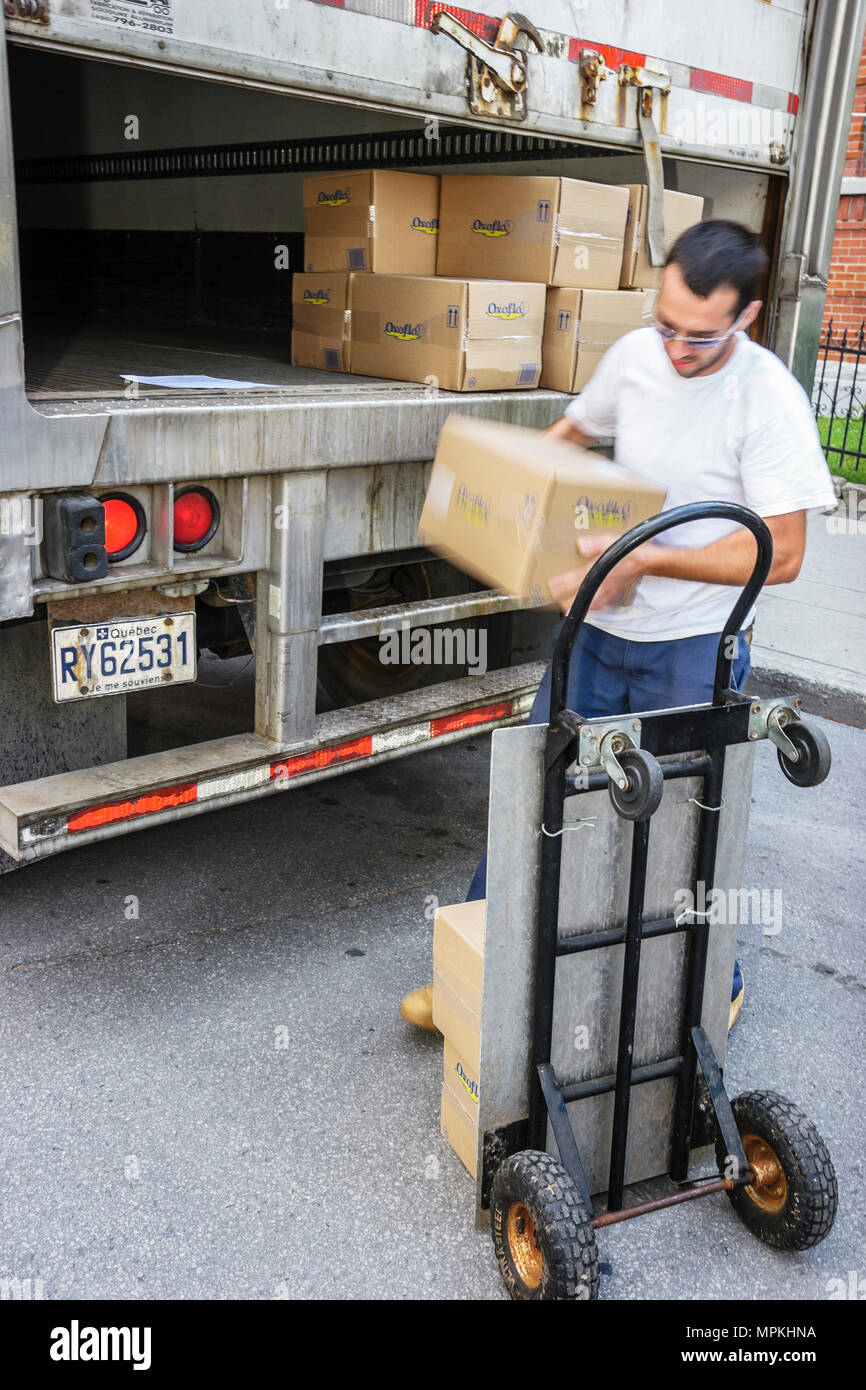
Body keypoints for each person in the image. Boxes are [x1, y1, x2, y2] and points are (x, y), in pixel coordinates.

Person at [400, 218, 837, 1035]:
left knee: (676, 831)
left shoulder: (768, 397)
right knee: (536, 792)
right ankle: (475, 975)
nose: (675, 348)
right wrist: (529, 518)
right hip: (599, 634)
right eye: (666, 323)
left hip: (693, 653)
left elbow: (781, 555)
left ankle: (717, 985)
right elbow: (569, 436)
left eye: (698, 338)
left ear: (744, 318)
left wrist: (643, 561)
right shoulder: (638, 356)